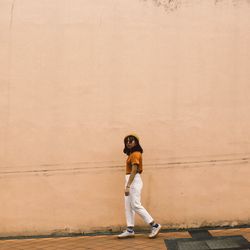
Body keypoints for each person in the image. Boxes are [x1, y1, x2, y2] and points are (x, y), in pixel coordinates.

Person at [118, 134, 161, 239]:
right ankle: (130, 230)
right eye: (127, 141)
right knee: (128, 205)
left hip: (133, 181)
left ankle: (154, 225)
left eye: (131, 140)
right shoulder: (131, 154)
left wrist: (128, 185)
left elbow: (134, 170)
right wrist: (127, 184)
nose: (129, 142)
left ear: (136, 142)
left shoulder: (136, 154)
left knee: (135, 205)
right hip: (129, 180)